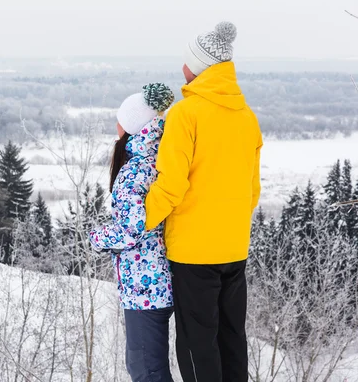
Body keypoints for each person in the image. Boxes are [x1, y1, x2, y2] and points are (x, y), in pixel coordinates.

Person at [144, 21, 263, 382]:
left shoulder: (186, 114)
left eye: (187, 61)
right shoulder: (247, 117)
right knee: (232, 338)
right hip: (234, 248)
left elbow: (172, 183)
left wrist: (140, 221)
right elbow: (253, 190)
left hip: (194, 253)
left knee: (198, 345)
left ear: (197, 67)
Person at [89, 83, 175, 382]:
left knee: (145, 371)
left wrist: (97, 237)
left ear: (131, 127)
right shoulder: (158, 160)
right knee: (148, 367)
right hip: (159, 280)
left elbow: (130, 231)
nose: (116, 125)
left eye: (121, 120)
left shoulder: (133, 170)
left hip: (143, 287)